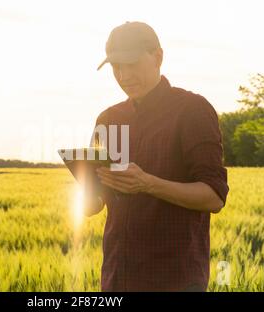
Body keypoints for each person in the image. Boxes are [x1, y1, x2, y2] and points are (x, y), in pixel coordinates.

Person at [85, 21, 229, 292]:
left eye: (132, 64)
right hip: (117, 277)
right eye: (116, 67)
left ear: (158, 57)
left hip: (175, 279)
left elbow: (214, 197)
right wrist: (86, 195)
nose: (124, 75)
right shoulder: (107, 119)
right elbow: (97, 200)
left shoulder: (192, 111)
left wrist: (148, 183)